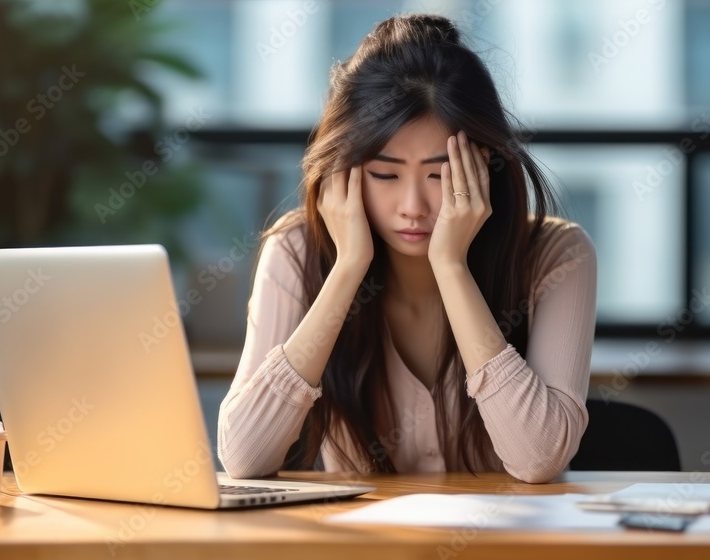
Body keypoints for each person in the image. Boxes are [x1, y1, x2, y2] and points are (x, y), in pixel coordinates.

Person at [217, 13, 596, 484]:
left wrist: (452, 267)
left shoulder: (556, 255)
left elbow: (538, 458)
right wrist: (348, 268)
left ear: (486, 166)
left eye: (440, 175)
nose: (413, 207)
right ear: (343, 172)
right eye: (385, 175)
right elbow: (244, 458)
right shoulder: (295, 251)